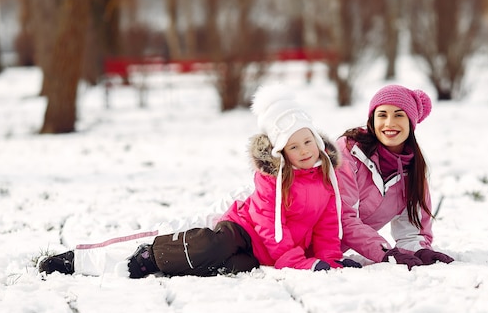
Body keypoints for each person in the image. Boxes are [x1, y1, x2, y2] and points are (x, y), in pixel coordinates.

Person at [39, 87, 360, 278]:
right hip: (245, 231)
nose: (304, 151)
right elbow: (269, 228)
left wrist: (330, 260)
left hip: (268, 255)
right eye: (293, 146)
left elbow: (327, 226)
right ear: (281, 152)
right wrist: (298, 263)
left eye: (307, 142)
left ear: (317, 139)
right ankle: (147, 257)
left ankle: (178, 264)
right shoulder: (271, 180)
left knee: (229, 267)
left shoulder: (325, 178)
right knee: (211, 245)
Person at [336, 84, 454, 270]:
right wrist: (384, 252)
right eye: (382, 115)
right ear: (372, 120)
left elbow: (411, 228)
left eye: (399, 115)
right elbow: (343, 216)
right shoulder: (349, 152)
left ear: (411, 122)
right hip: (298, 241)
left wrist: (419, 251)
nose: (389, 123)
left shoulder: (412, 170)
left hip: (328, 251)